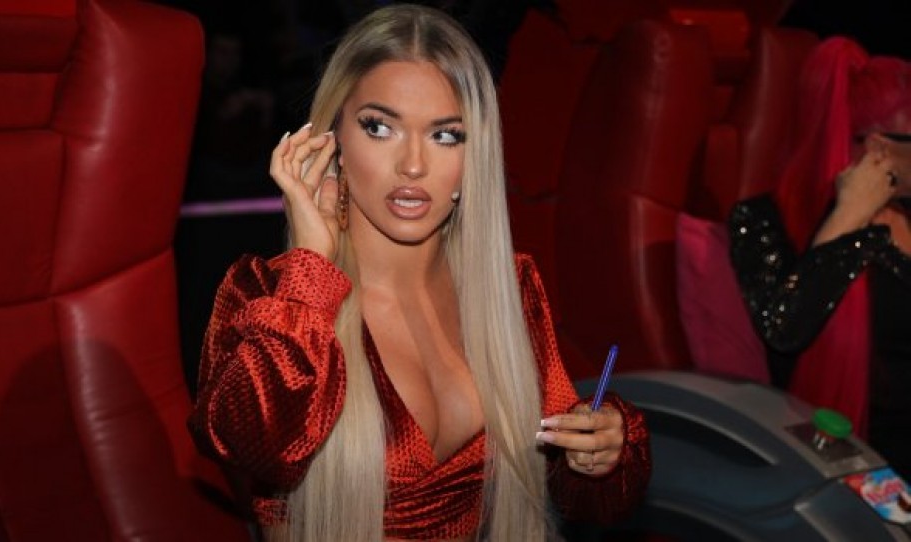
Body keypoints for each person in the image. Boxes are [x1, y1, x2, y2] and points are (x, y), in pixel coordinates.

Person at [188, 4, 650, 541]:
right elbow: (249, 444)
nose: (412, 165)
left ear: (476, 153)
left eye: (445, 135)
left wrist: (599, 452)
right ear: (331, 138)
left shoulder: (508, 291)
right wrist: (312, 266)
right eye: (379, 127)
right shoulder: (272, 295)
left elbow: (581, 499)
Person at [729, 36, 911, 478]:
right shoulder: (767, 221)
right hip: (854, 462)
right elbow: (783, 327)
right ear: (880, 150)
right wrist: (847, 220)